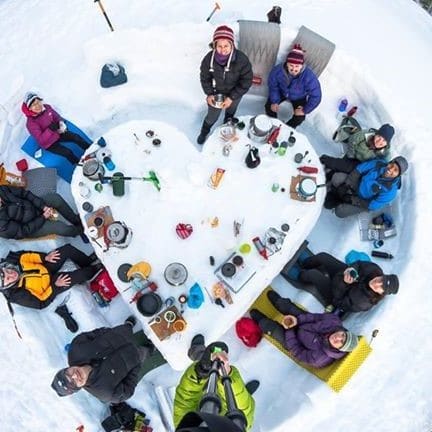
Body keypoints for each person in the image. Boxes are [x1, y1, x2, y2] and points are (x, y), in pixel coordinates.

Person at [51, 317, 152, 404]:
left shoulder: (75, 349)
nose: (74, 375)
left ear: (66, 368)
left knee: (126, 328)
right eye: (72, 382)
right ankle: (151, 347)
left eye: (67, 373)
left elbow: (91, 335)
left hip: (120, 335)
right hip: (134, 356)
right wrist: (135, 367)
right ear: (78, 388)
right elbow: (127, 391)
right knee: (146, 350)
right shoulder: (105, 393)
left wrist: (109, 332)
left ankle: (129, 325)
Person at [250, 291, 358, 368]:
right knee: (286, 306)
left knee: (268, 326)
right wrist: (297, 320)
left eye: (341, 342)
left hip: (296, 342)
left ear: (339, 349)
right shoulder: (333, 321)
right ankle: (274, 298)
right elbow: (314, 317)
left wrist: (290, 330)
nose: (338, 337)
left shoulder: (318, 358)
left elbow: (297, 351)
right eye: (343, 335)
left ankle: (256, 316)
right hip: (304, 324)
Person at [174, 334, 258, 431]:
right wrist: (227, 375)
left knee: (206, 361)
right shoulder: (239, 426)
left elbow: (185, 399)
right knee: (240, 403)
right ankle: (241, 394)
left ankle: (196, 351)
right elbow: (246, 413)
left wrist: (200, 371)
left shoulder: (186, 426)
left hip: (204, 391)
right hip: (232, 410)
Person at [197, 25, 253, 144]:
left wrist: (232, 97)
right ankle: (204, 132)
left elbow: (247, 80)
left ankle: (226, 128)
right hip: (217, 93)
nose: (223, 49)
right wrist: (209, 94)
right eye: (219, 46)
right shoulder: (208, 59)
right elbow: (204, 78)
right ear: (215, 45)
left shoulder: (241, 59)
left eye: (226, 45)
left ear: (231, 45)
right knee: (212, 116)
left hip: (235, 93)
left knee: (230, 112)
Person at [0, 244, 102, 309]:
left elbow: (27, 256)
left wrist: (45, 257)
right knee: (82, 274)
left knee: (67, 249)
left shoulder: (12, 261)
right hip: (51, 284)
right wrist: (55, 287)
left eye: (8, 271)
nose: (11, 274)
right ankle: (94, 271)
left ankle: (89, 262)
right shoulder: (18, 295)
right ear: (6, 285)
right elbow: (41, 303)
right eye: (8, 279)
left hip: (45, 268)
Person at [297, 252, 399, 313]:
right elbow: (359, 264)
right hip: (342, 274)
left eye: (381, 287)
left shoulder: (362, 302)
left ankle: (298, 275)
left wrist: (344, 283)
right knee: (322, 257)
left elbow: (338, 302)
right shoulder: (374, 269)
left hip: (335, 294)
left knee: (312, 274)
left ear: (381, 293)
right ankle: (304, 263)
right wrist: (351, 269)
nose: (377, 283)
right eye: (381, 279)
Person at [325, 155, 409, 218]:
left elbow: (372, 205)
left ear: (398, 175)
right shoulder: (379, 164)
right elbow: (359, 169)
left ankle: (342, 200)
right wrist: (347, 184)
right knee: (336, 178)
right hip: (358, 185)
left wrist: (353, 200)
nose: (390, 169)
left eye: (395, 170)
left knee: (339, 212)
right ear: (390, 162)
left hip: (364, 202)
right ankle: (337, 195)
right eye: (392, 165)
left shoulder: (390, 191)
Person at [21, 92, 92, 164]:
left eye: (38, 102)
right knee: (67, 152)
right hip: (49, 143)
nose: (38, 106)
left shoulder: (47, 107)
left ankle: (92, 150)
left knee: (76, 137)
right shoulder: (30, 123)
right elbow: (41, 140)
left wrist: (61, 123)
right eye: (33, 105)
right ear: (29, 108)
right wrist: (50, 130)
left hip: (57, 133)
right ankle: (79, 164)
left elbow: (56, 117)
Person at [265, 44, 321, 128]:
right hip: (282, 92)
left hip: (299, 97)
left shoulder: (309, 77)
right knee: (269, 107)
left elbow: (316, 96)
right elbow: (273, 86)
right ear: (286, 63)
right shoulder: (278, 70)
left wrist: (304, 110)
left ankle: (287, 128)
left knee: (300, 117)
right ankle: (273, 124)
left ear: (302, 65)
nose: (293, 69)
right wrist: (275, 101)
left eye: (297, 66)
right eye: (291, 65)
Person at [0, 184, 83, 239]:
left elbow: (25, 194)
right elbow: (23, 231)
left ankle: (76, 220)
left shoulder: (2, 190)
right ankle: (82, 230)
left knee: (55, 198)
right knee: (62, 228)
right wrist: (43, 217)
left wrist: (42, 206)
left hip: (33, 206)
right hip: (32, 227)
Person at [321, 123, 394, 174]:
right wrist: (351, 155)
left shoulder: (385, 152)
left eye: (384, 140)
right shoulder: (366, 134)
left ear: (387, 143)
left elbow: (384, 165)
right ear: (376, 134)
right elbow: (352, 140)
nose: (379, 141)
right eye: (379, 137)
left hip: (362, 166)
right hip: (353, 156)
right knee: (340, 166)